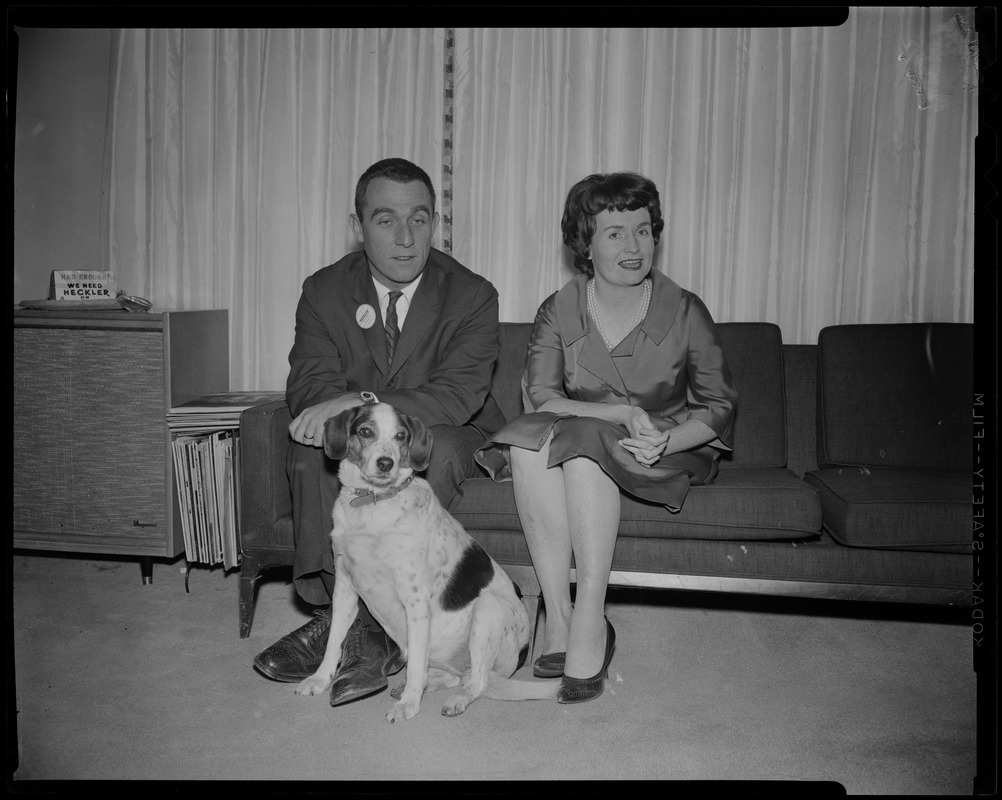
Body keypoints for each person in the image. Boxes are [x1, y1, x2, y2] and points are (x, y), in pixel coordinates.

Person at [475, 172, 737, 704]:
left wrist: (667, 440)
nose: (634, 246)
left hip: (665, 448)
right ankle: (558, 613)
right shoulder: (560, 308)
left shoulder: (685, 310)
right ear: (586, 244)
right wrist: (620, 411)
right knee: (531, 440)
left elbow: (718, 406)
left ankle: (590, 616)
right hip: (596, 438)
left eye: (644, 231)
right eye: (615, 233)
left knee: (577, 445)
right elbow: (542, 399)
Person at [254, 158, 506, 706]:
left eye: (419, 219)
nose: (406, 237)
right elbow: (313, 388)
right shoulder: (323, 291)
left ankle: (372, 632)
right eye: (386, 220)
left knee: (425, 454)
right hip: (365, 434)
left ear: (435, 222)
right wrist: (350, 416)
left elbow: (458, 394)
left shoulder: (471, 293)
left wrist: (366, 399)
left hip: (450, 425)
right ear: (358, 224)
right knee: (316, 449)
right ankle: (340, 614)